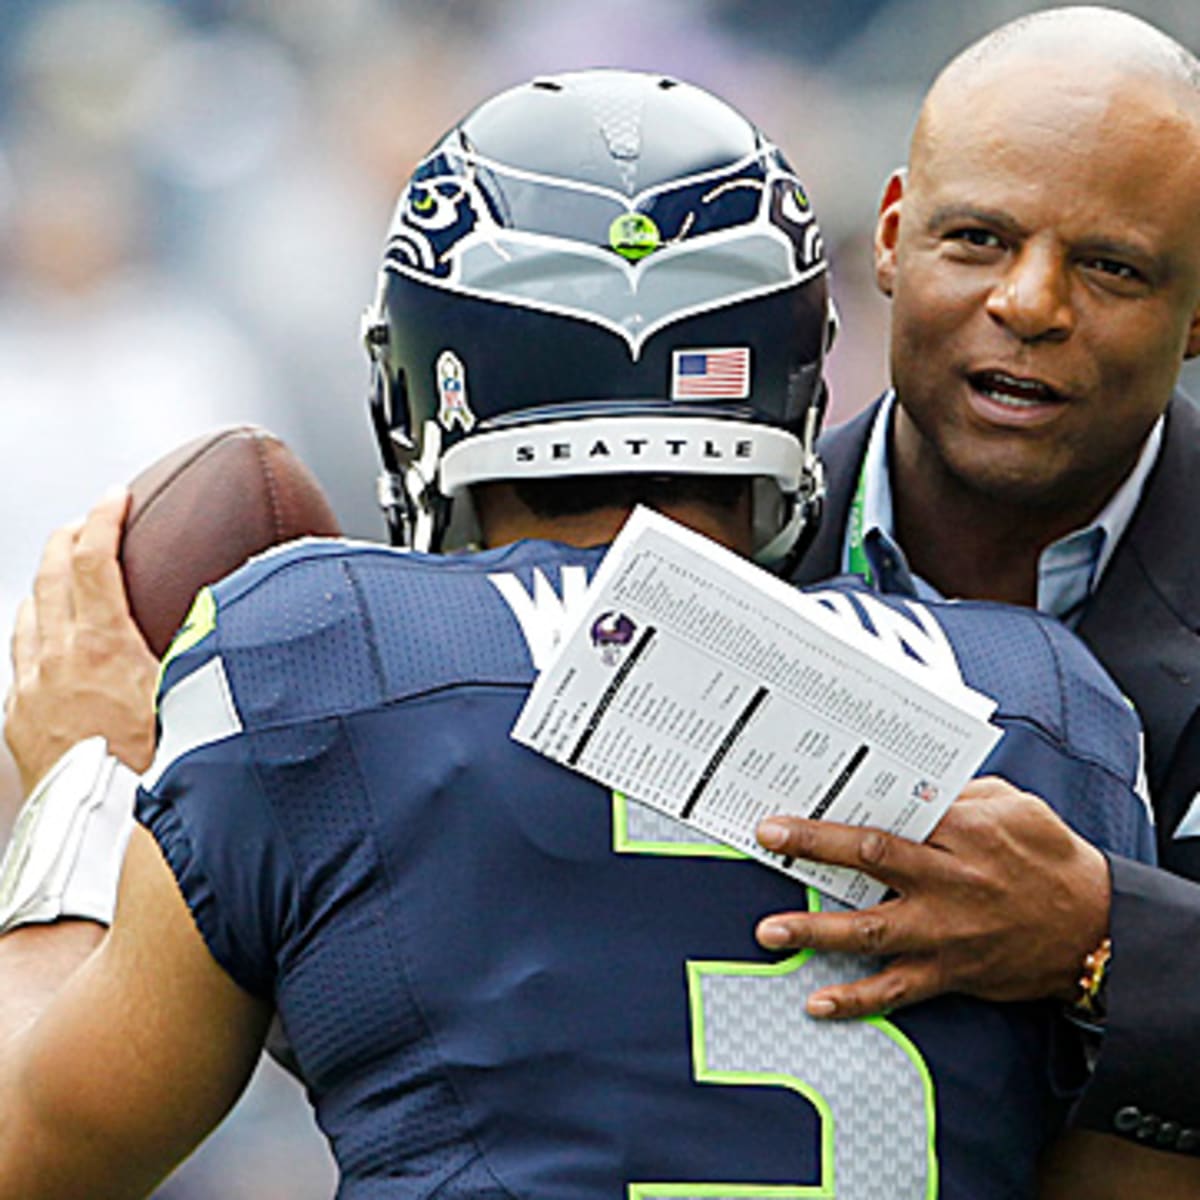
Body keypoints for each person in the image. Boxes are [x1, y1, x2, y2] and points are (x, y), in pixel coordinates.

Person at [0, 68, 1180, 1197]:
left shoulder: (316, 651)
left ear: (425, 383)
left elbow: (37, 1152)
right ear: (794, 382)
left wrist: (82, 788)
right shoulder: (1047, 704)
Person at [754, 2, 1200, 1159]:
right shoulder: (720, 558)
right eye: (980, 241)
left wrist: (1100, 938)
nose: (1031, 305)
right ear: (890, 239)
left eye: (1111, 266)